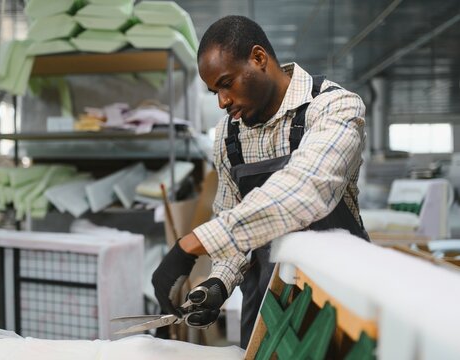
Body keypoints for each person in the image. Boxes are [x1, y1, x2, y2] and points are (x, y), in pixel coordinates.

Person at [152, 15, 369, 349]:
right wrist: (219, 283)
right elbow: (231, 213)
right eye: (214, 91)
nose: (222, 102)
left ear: (258, 58)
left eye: (226, 83)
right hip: (267, 310)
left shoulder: (333, 107)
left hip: (338, 307)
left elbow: (304, 191)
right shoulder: (229, 134)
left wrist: (191, 244)